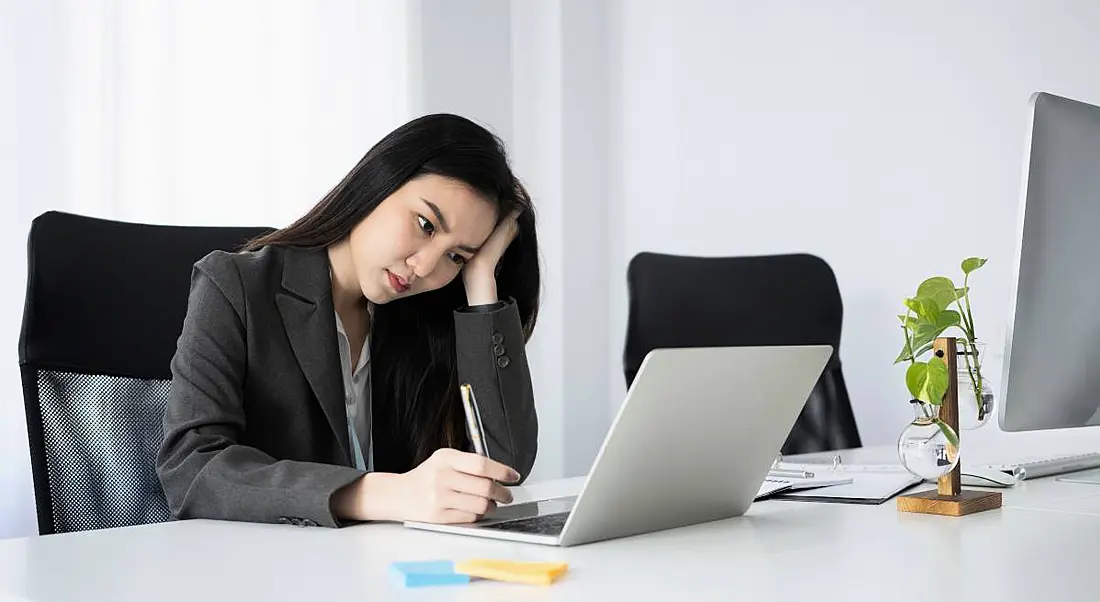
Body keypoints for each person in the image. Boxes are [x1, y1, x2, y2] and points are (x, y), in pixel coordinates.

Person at [155, 114, 540, 528]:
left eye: (455, 256)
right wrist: (381, 493)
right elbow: (193, 469)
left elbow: (504, 467)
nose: (425, 266)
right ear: (378, 182)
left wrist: (481, 283)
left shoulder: (425, 318)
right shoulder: (236, 286)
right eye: (425, 224)